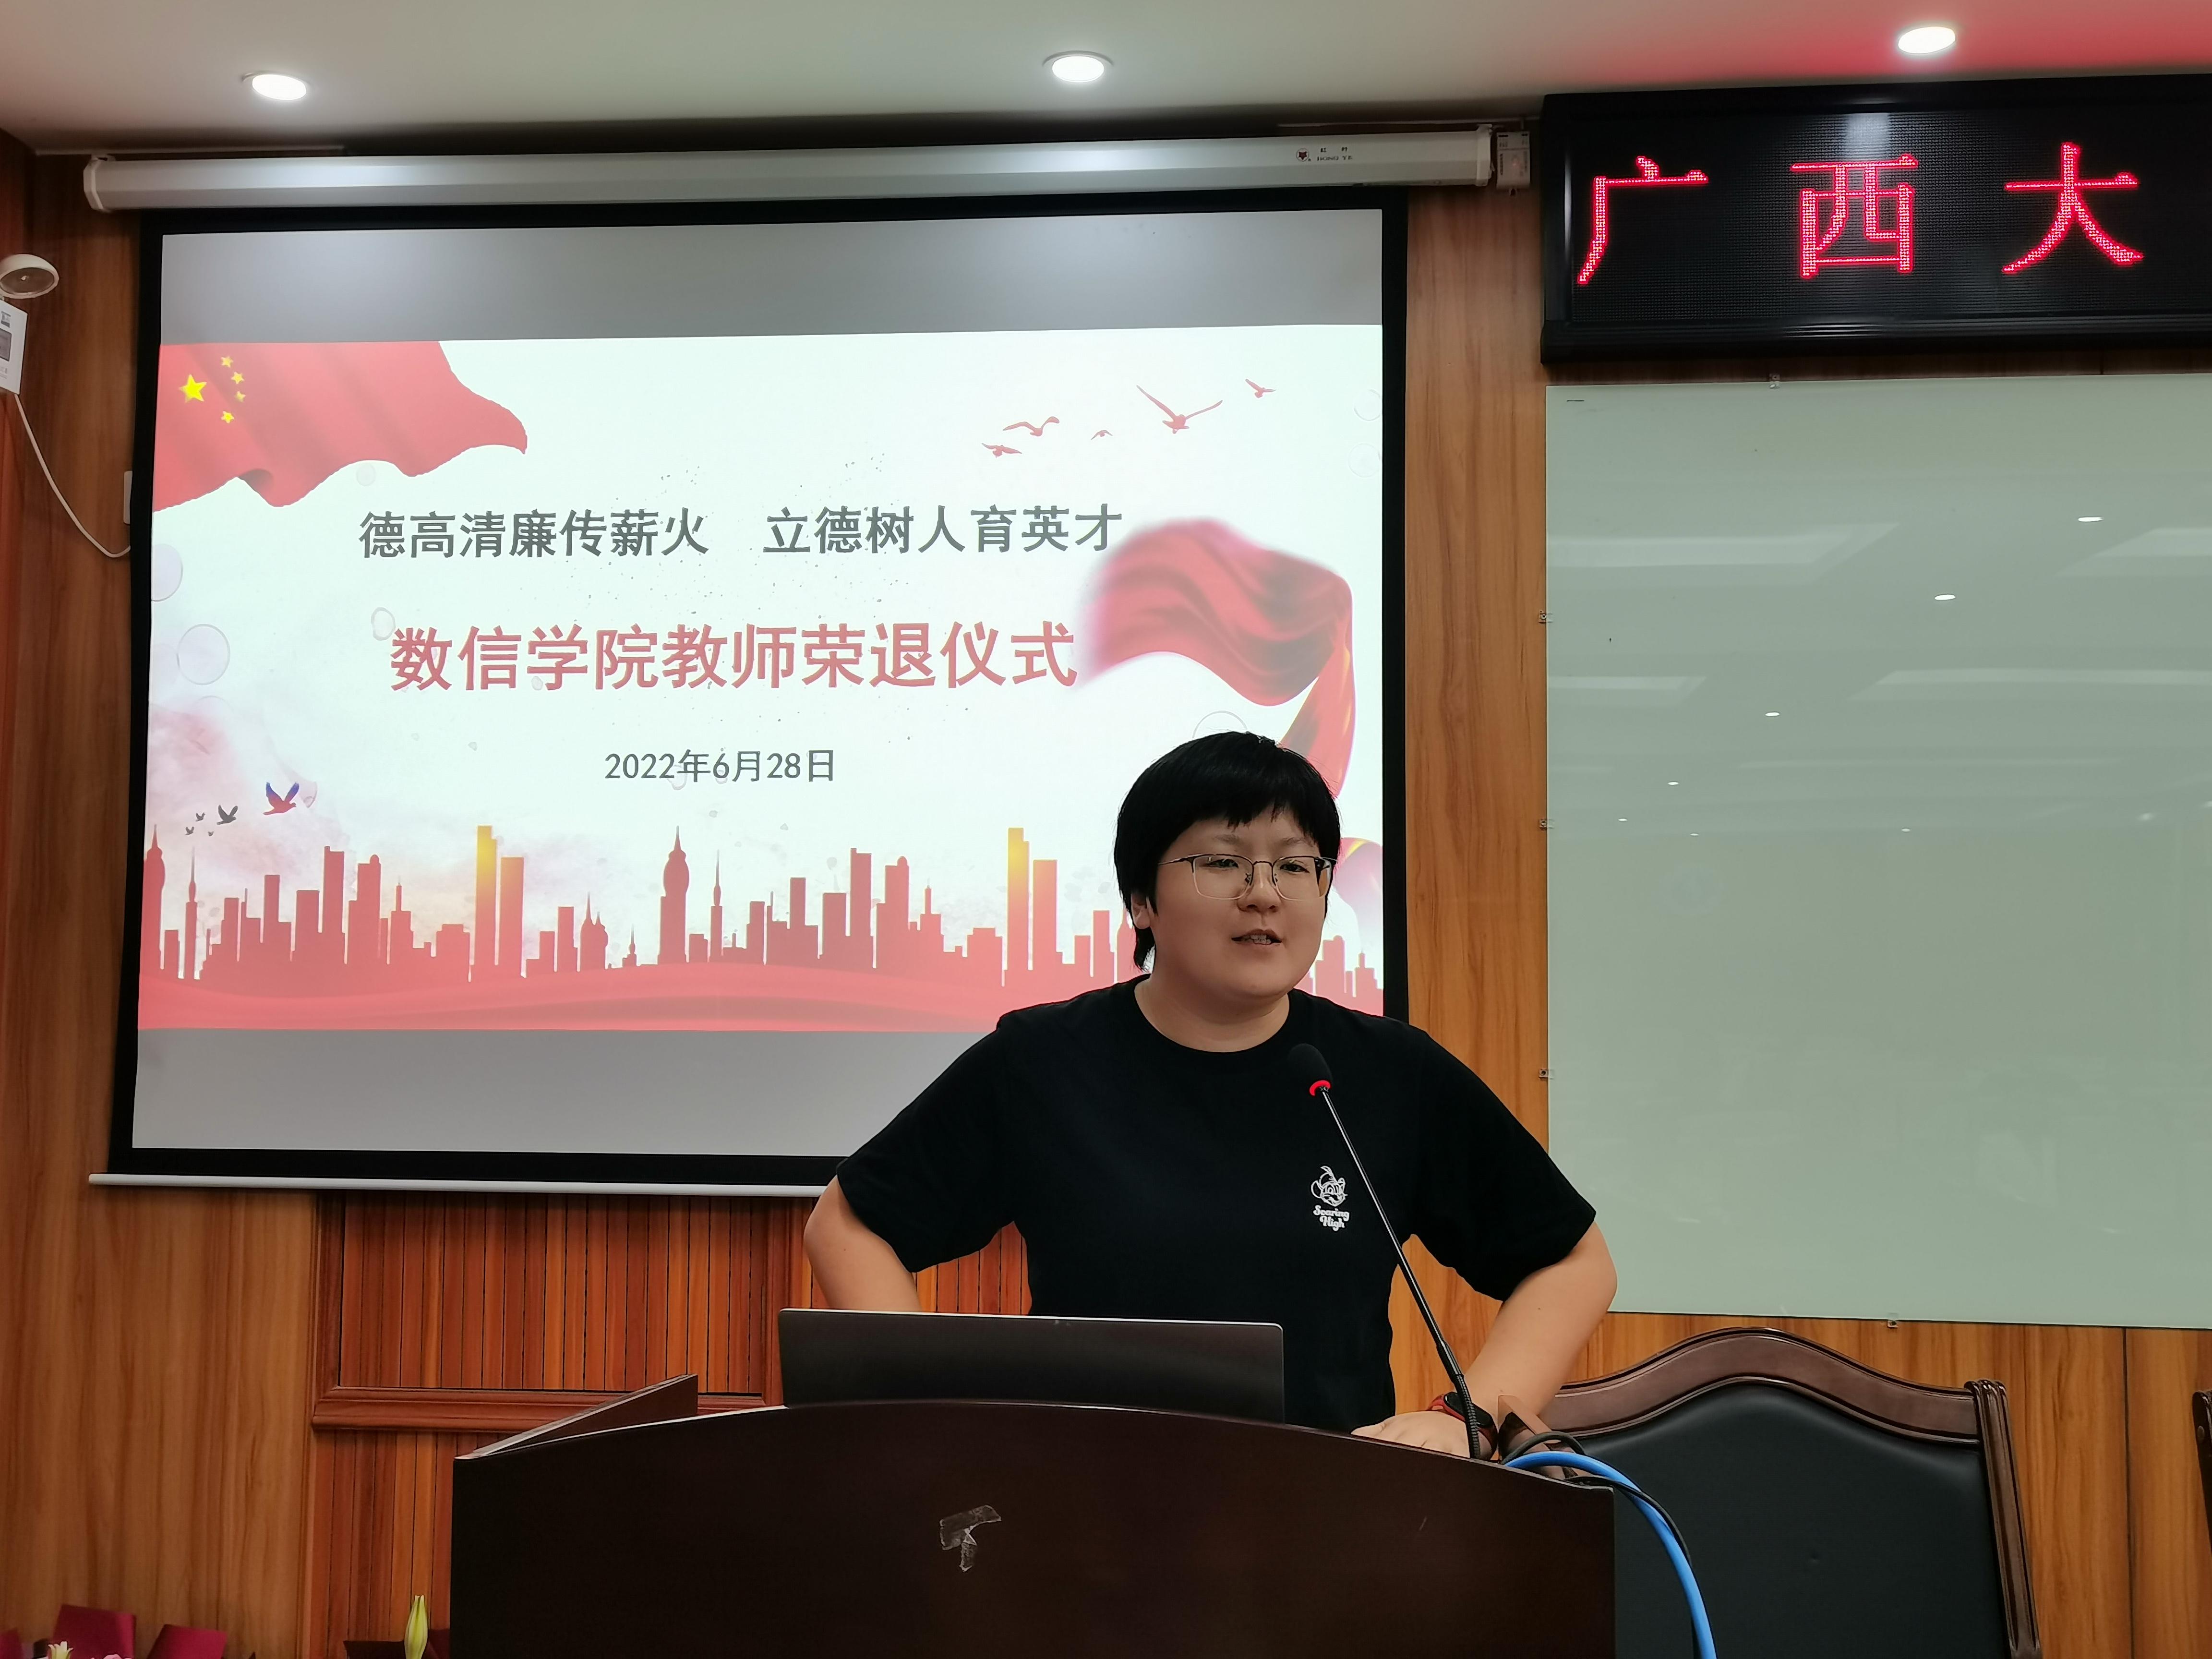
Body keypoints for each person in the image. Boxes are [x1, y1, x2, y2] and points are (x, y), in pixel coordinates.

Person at [805, 732, 1615, 1455]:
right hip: (1079, 1508)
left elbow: (1572, 1262)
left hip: (1330, 1511)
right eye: (1222, 862)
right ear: (1141, 900)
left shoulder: (1388, 1072)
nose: (1264, 893)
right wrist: (929, 1424)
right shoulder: (1043, 1062)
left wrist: (1468, 1416)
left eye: (1295, 865)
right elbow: (850, 1224)